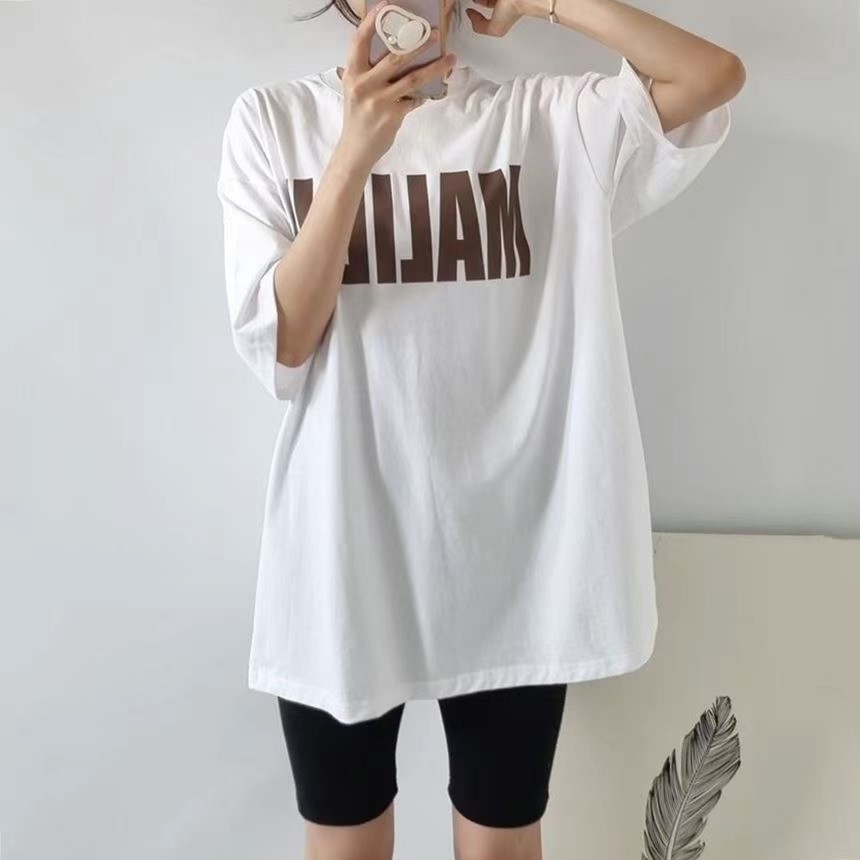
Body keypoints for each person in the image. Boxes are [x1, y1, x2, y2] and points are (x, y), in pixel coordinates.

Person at [215, 0, 744, 853]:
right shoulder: (273, 123)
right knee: (344, 842)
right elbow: (284, 346)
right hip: (341, 555)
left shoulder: (547, 122)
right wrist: (353, 151)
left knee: (502, 840)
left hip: (513, 564)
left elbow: (712, 75)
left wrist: (546, 2)